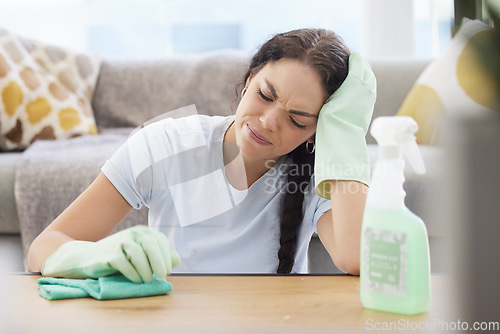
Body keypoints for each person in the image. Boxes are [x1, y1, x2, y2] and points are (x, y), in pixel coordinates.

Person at [27, 28, 376, 283]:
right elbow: (43, 248)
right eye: (265, 95)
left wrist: (344, 130)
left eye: (297, 120)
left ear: (318, 131)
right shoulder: (166, 143)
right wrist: (93, 256)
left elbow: (355, 257)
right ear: (250, 78)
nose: (268, 122)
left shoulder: (319, 175)